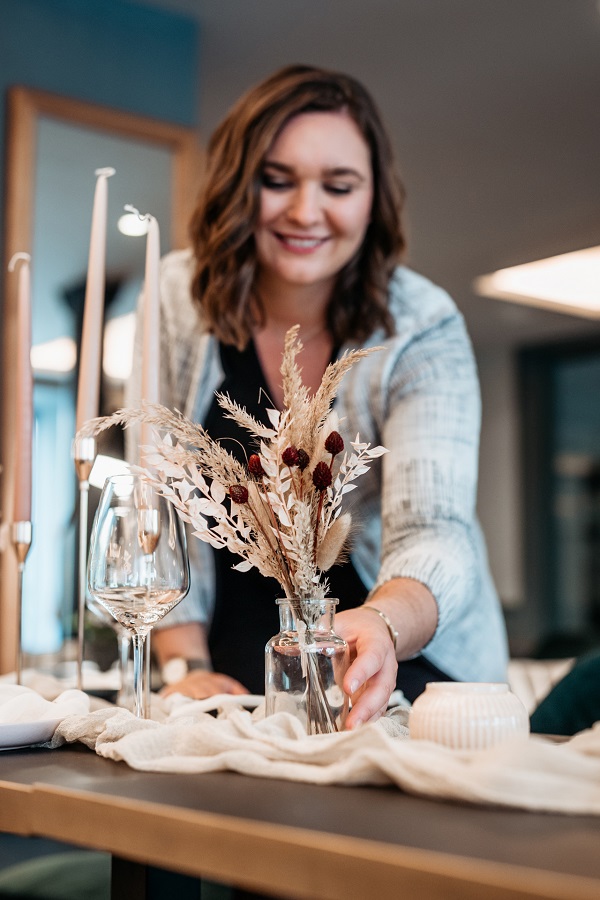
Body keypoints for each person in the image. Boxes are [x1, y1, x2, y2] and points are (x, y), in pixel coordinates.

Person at [127, 64, 508, 729]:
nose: (305, 212)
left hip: (397, 664)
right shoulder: (175, 299)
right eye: (277, 181)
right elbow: (152, 497)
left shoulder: (421, 322)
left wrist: (384, 627)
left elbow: (435, 528)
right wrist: (183, 668)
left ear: (373, 198)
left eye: (339, 185)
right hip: (229, 676)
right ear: (238, 185)